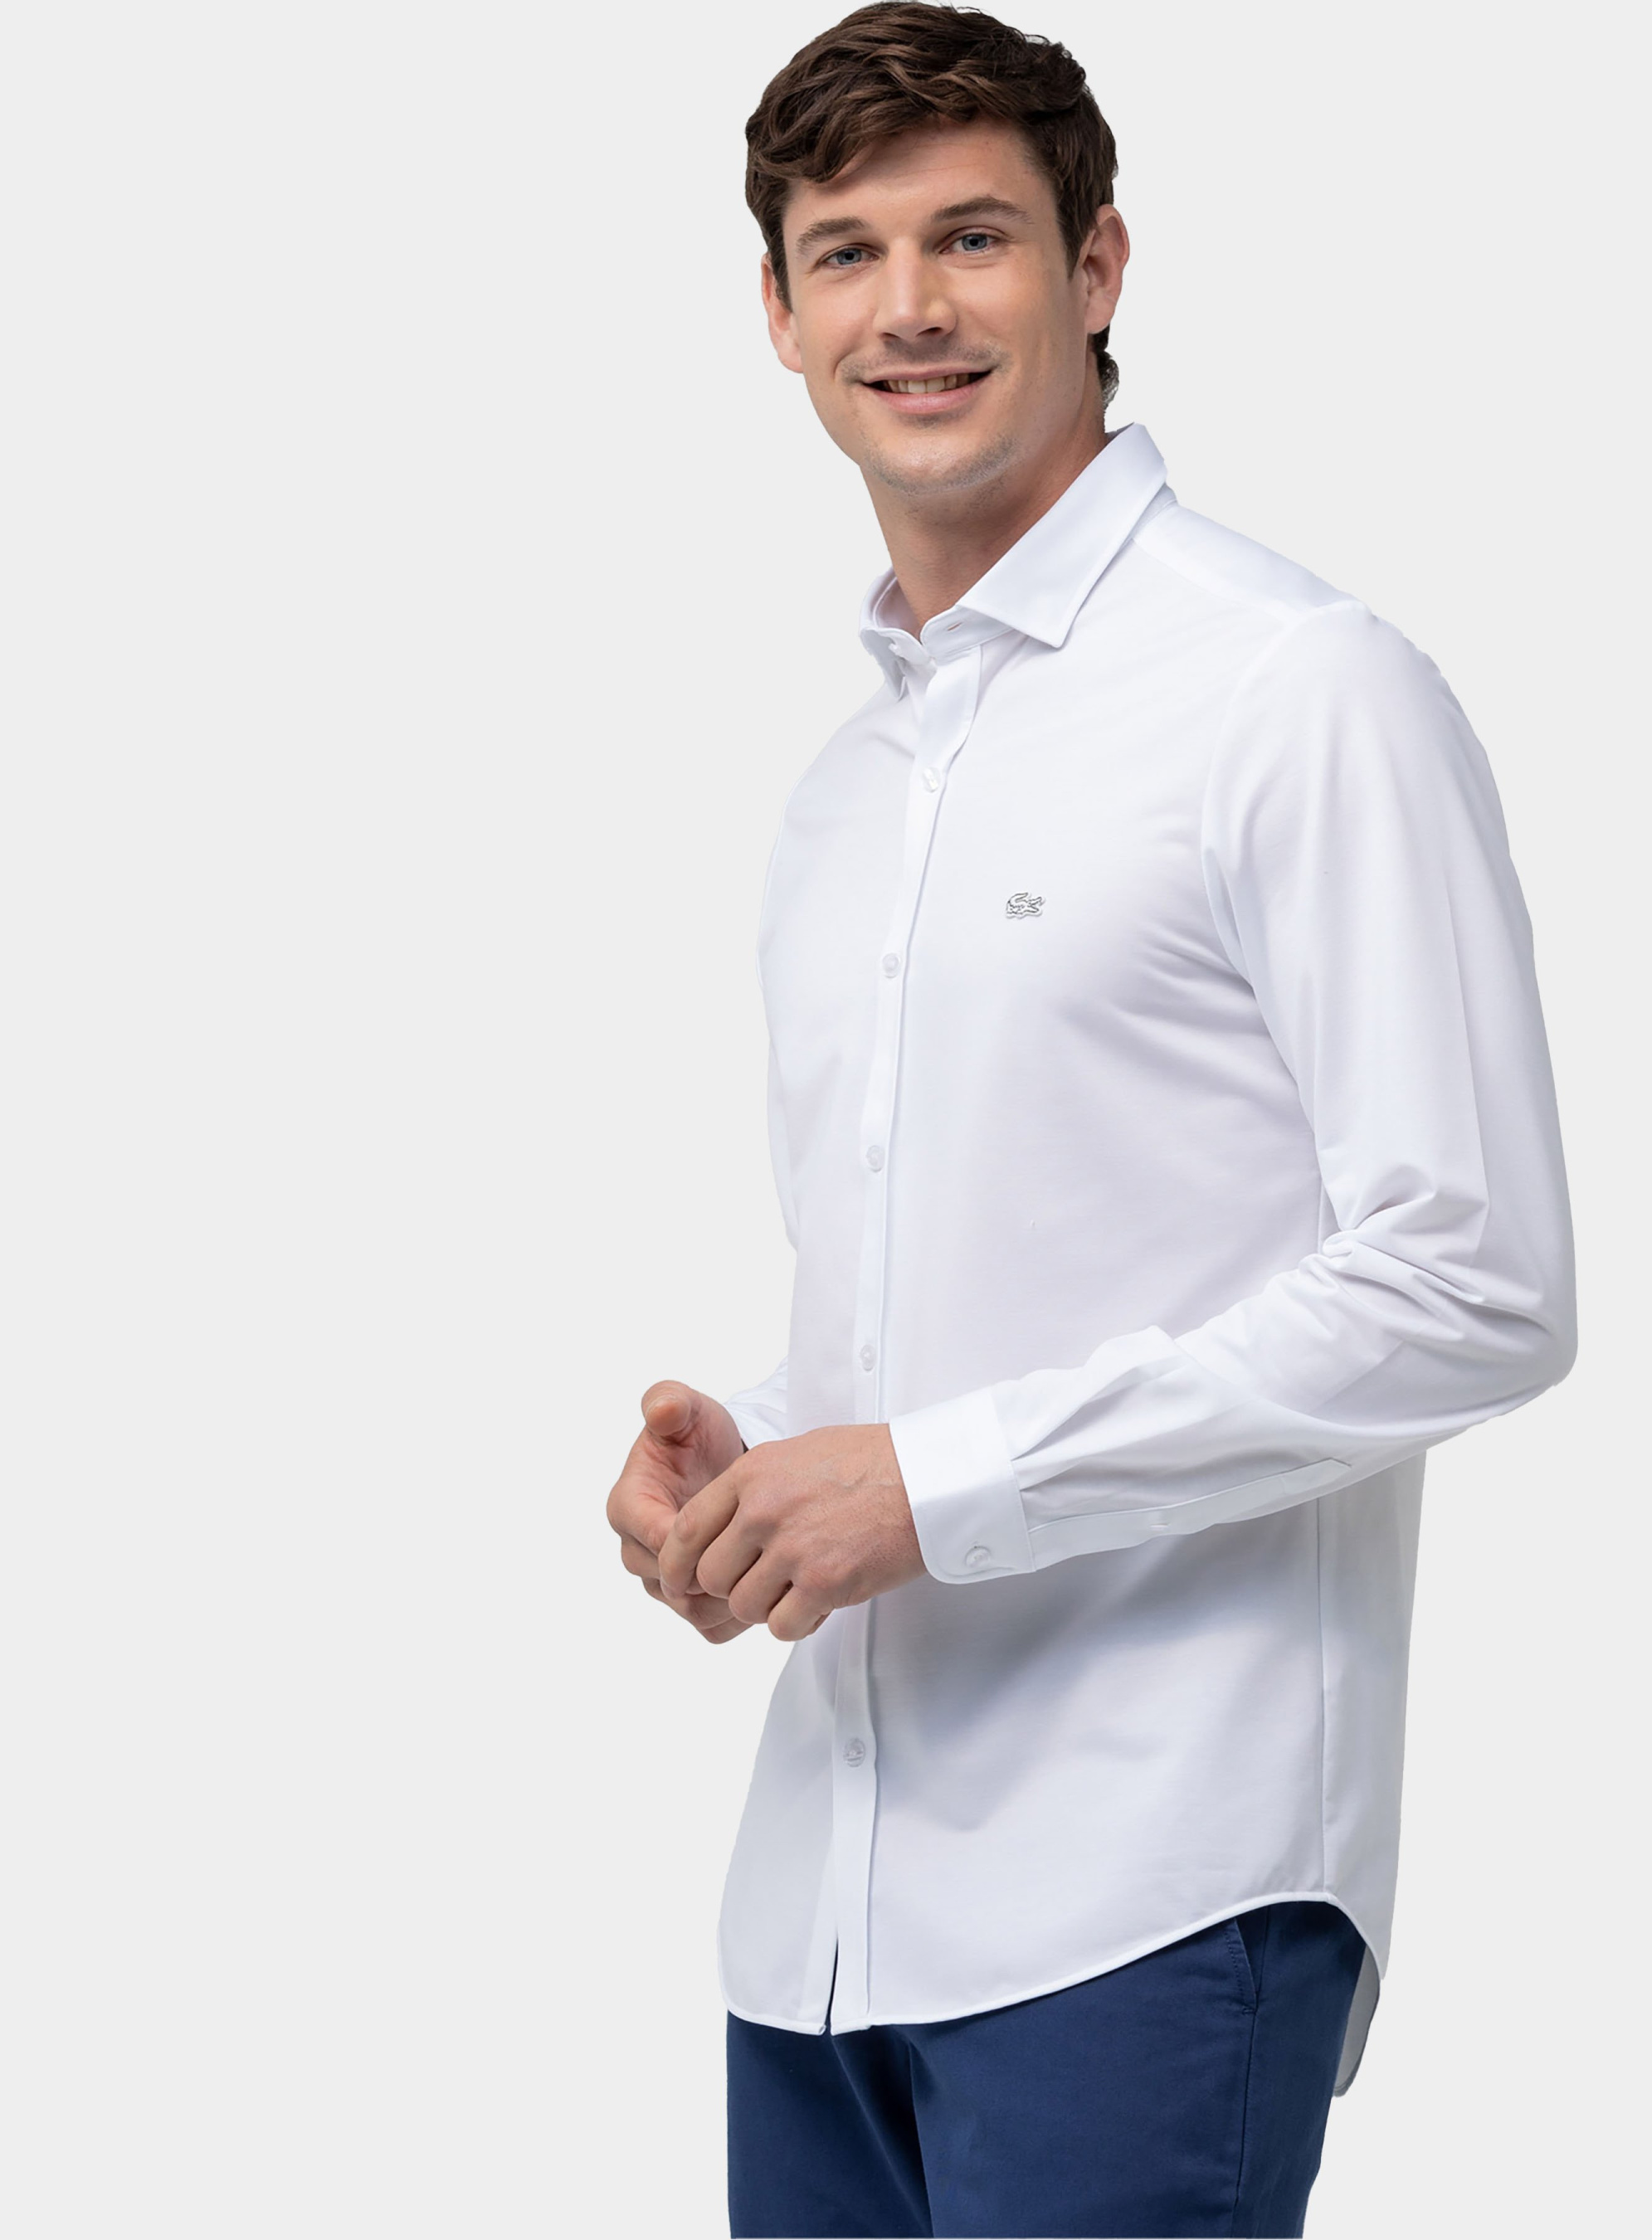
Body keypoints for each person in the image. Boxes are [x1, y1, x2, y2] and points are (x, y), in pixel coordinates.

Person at [604, 7, 1577, 2234]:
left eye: (973, 237)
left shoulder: (1297, 690)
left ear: (1099, 264)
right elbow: (970, 1279)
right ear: (778, 316)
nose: (910, 307)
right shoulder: (849, 789)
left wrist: (930, 1487)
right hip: (819, 1915)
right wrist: (760, 1463)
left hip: (1146, 1888)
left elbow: (1477, 1283)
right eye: (845, 254)